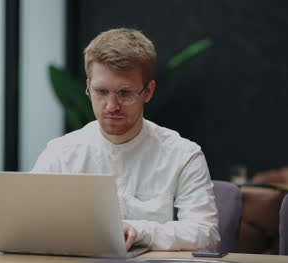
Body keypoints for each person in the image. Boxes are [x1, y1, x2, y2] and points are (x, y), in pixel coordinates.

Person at [32, 28, 220, 251]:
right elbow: (30, 223)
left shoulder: (183, 154)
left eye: (125, 93)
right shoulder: (60, 153)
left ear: (148, 91)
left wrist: (140, 230)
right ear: (88, 87)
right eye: (101, 91)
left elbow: (206, 234)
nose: (111, 106)